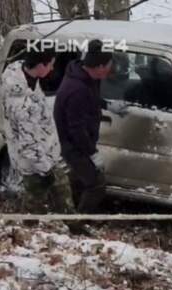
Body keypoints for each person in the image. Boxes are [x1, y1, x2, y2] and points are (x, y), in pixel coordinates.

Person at [0, 43, 84, 234]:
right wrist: (45, 169)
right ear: (40, 65)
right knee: (35, 198)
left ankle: (74, 227)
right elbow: (27, 141)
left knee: (62, 189)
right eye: (51, 64)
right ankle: (28, 234)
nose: (53, 68)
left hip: (46, 151)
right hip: (33, 160)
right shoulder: (20, 101)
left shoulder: (26, 75)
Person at [54, 40, 113, 215]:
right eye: (109, 65)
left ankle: (67, 214)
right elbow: (76, 129)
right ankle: (78, 223)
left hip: (78, 142)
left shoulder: (86, 77)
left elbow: (91, 99)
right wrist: (92, 153)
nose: (111, 69)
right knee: (96, 184)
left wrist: (107, 105)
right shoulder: (77, 89)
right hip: (72, 144)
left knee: (78, 181)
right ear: (99, 66)